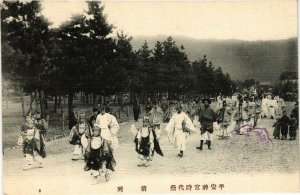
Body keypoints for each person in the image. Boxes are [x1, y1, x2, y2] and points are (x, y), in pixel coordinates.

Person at [93, 106, 120, 182]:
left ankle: (108, 172)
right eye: (100, 110)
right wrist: (96, 129)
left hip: (107, 133)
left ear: (105, 110)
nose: (102, 111)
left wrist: (112, 132)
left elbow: (115, 125)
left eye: (103, 110)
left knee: (107, 151)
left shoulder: (109, 116)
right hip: (99, 132)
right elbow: (96, 124)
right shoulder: (98, 116)